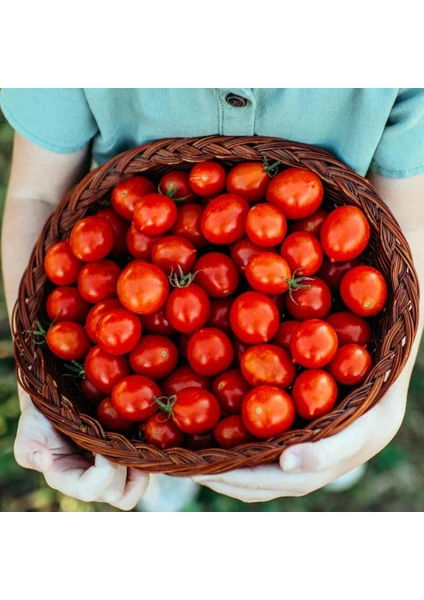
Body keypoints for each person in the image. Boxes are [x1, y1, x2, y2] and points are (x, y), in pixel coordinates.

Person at [1, 88, 423, 509]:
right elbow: (34, 195)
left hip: (302, 350)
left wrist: (383, 410)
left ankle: (332, 448)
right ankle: (168, 474)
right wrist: (35, 392)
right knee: (158, 441)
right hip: (168, 251)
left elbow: (409, 230)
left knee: (327, 439)